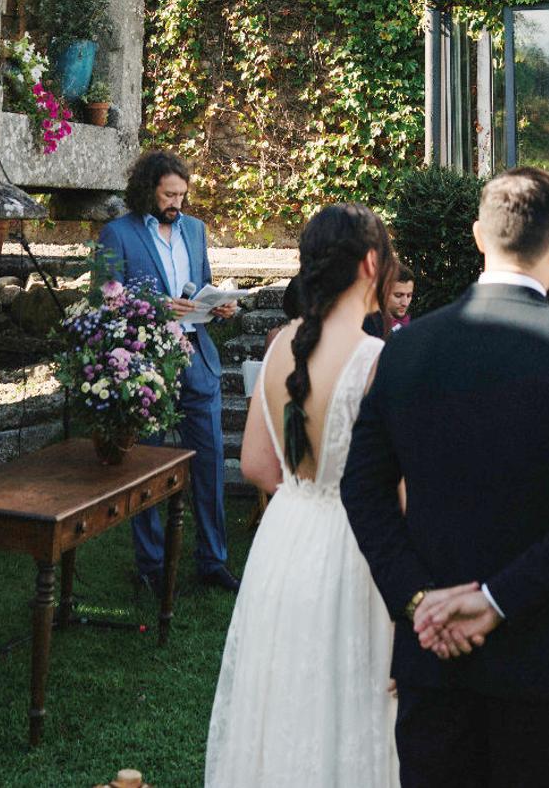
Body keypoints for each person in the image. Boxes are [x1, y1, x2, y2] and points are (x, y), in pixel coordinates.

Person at [341, 168, 549, 788]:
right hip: (546, 649)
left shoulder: (407, 349)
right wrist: (497, 600)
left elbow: (361, 488)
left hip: (435, 649)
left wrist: (421, 601)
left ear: (478, 236)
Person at [205, 204, 400, 787]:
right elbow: (401, 490)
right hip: (358, 551)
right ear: (371, 264)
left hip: (284, 545)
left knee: (286, 696)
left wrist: (306, 497)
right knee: (353, 699)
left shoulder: (278, 348)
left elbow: (256, 465)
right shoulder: (375, 361)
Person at [97, 150, 240, 593]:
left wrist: (220, 306)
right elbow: (105, 297)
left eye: (182, 194)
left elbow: (201, 286)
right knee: (148, 464)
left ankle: (213, 561)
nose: (177, 202)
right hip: (146, 365)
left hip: (197, 358)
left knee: (211, 461)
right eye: (168, 194)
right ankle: (151, 566)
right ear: (147, 190)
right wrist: (157, 307)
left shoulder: (195, 230)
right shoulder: (116, 233)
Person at [388, 264, 414, 331]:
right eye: (398, 295)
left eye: (409, 296)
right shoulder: (368, 328)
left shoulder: (415, 324)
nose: (405, 303)